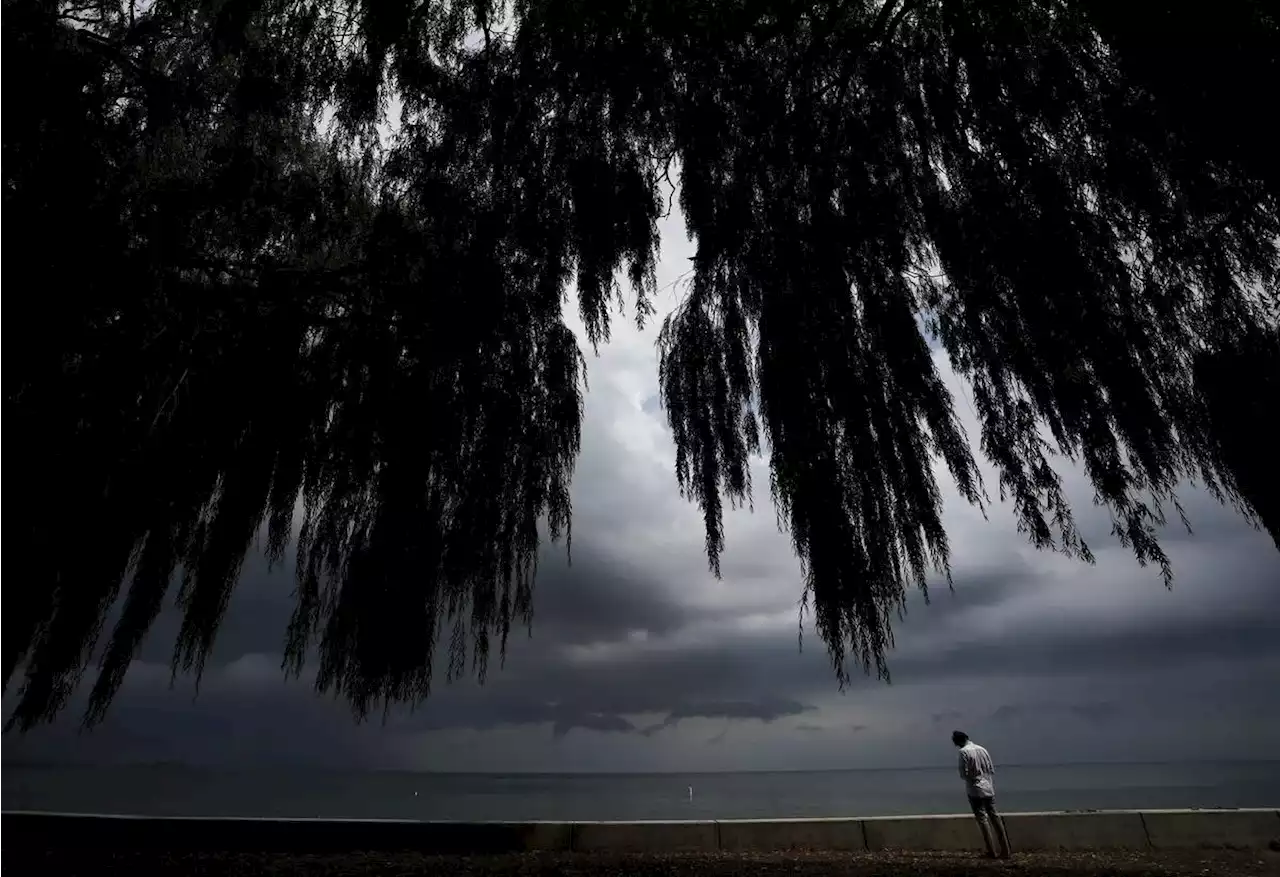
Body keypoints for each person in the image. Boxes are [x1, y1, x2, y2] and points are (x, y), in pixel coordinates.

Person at [952, 730, 1011, 859]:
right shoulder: (982, 749)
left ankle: (991, 851)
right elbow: (991, 769)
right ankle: (1006, 850)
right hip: (989, 787)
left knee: (982, 820)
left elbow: (964, 774)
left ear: (958, 742)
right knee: (995, 818)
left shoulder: (963, 752)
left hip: (975, 789)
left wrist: (973, 777)